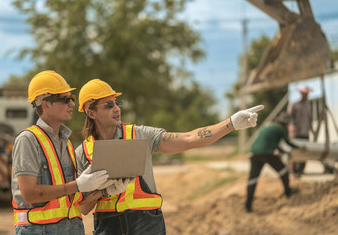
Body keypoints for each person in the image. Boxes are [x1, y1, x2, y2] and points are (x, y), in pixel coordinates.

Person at [75, 79, 264, 235]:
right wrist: (103, 192)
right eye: (109, 105)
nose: (116, 108)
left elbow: (189, 138)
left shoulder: (140, 134)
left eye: (117, 103)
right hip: (107, 226)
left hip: (147, 222)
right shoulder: (83, 152)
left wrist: (230, 124)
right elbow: (83, 209)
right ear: (91, 112)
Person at [11, 71, 113, 235]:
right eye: (65, 100)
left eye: (71, 98)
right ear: (46, 105)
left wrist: (104, 190)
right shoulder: (28, 140)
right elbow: (29, 194)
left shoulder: (67, 144)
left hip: (72, 227)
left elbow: (77, 204)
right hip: (38, 230)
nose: (72, 104)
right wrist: (77, 185)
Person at [245, 112, 299, 213]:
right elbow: (288, 142)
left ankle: (248, 205)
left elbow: (273, 143)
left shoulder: (270, 126)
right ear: (286, 123)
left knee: (253, 179)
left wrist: (284, 152)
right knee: (284, 171)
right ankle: (288, 192)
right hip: (267, 153)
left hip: (254, 153)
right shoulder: (282, 129)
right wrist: (298, 148)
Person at [289, 85, 313, 176]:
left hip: (305, 132)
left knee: (305, 152)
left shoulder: (308, 106)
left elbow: (310, 119)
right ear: (301, 94)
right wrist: (291, 128)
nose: (306, 96)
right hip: (297, 133)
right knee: (295, 152)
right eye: (304, 94)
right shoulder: (295, 105)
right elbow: (290, 118)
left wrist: (312, 130)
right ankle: (294, 170)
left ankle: (301, 170)